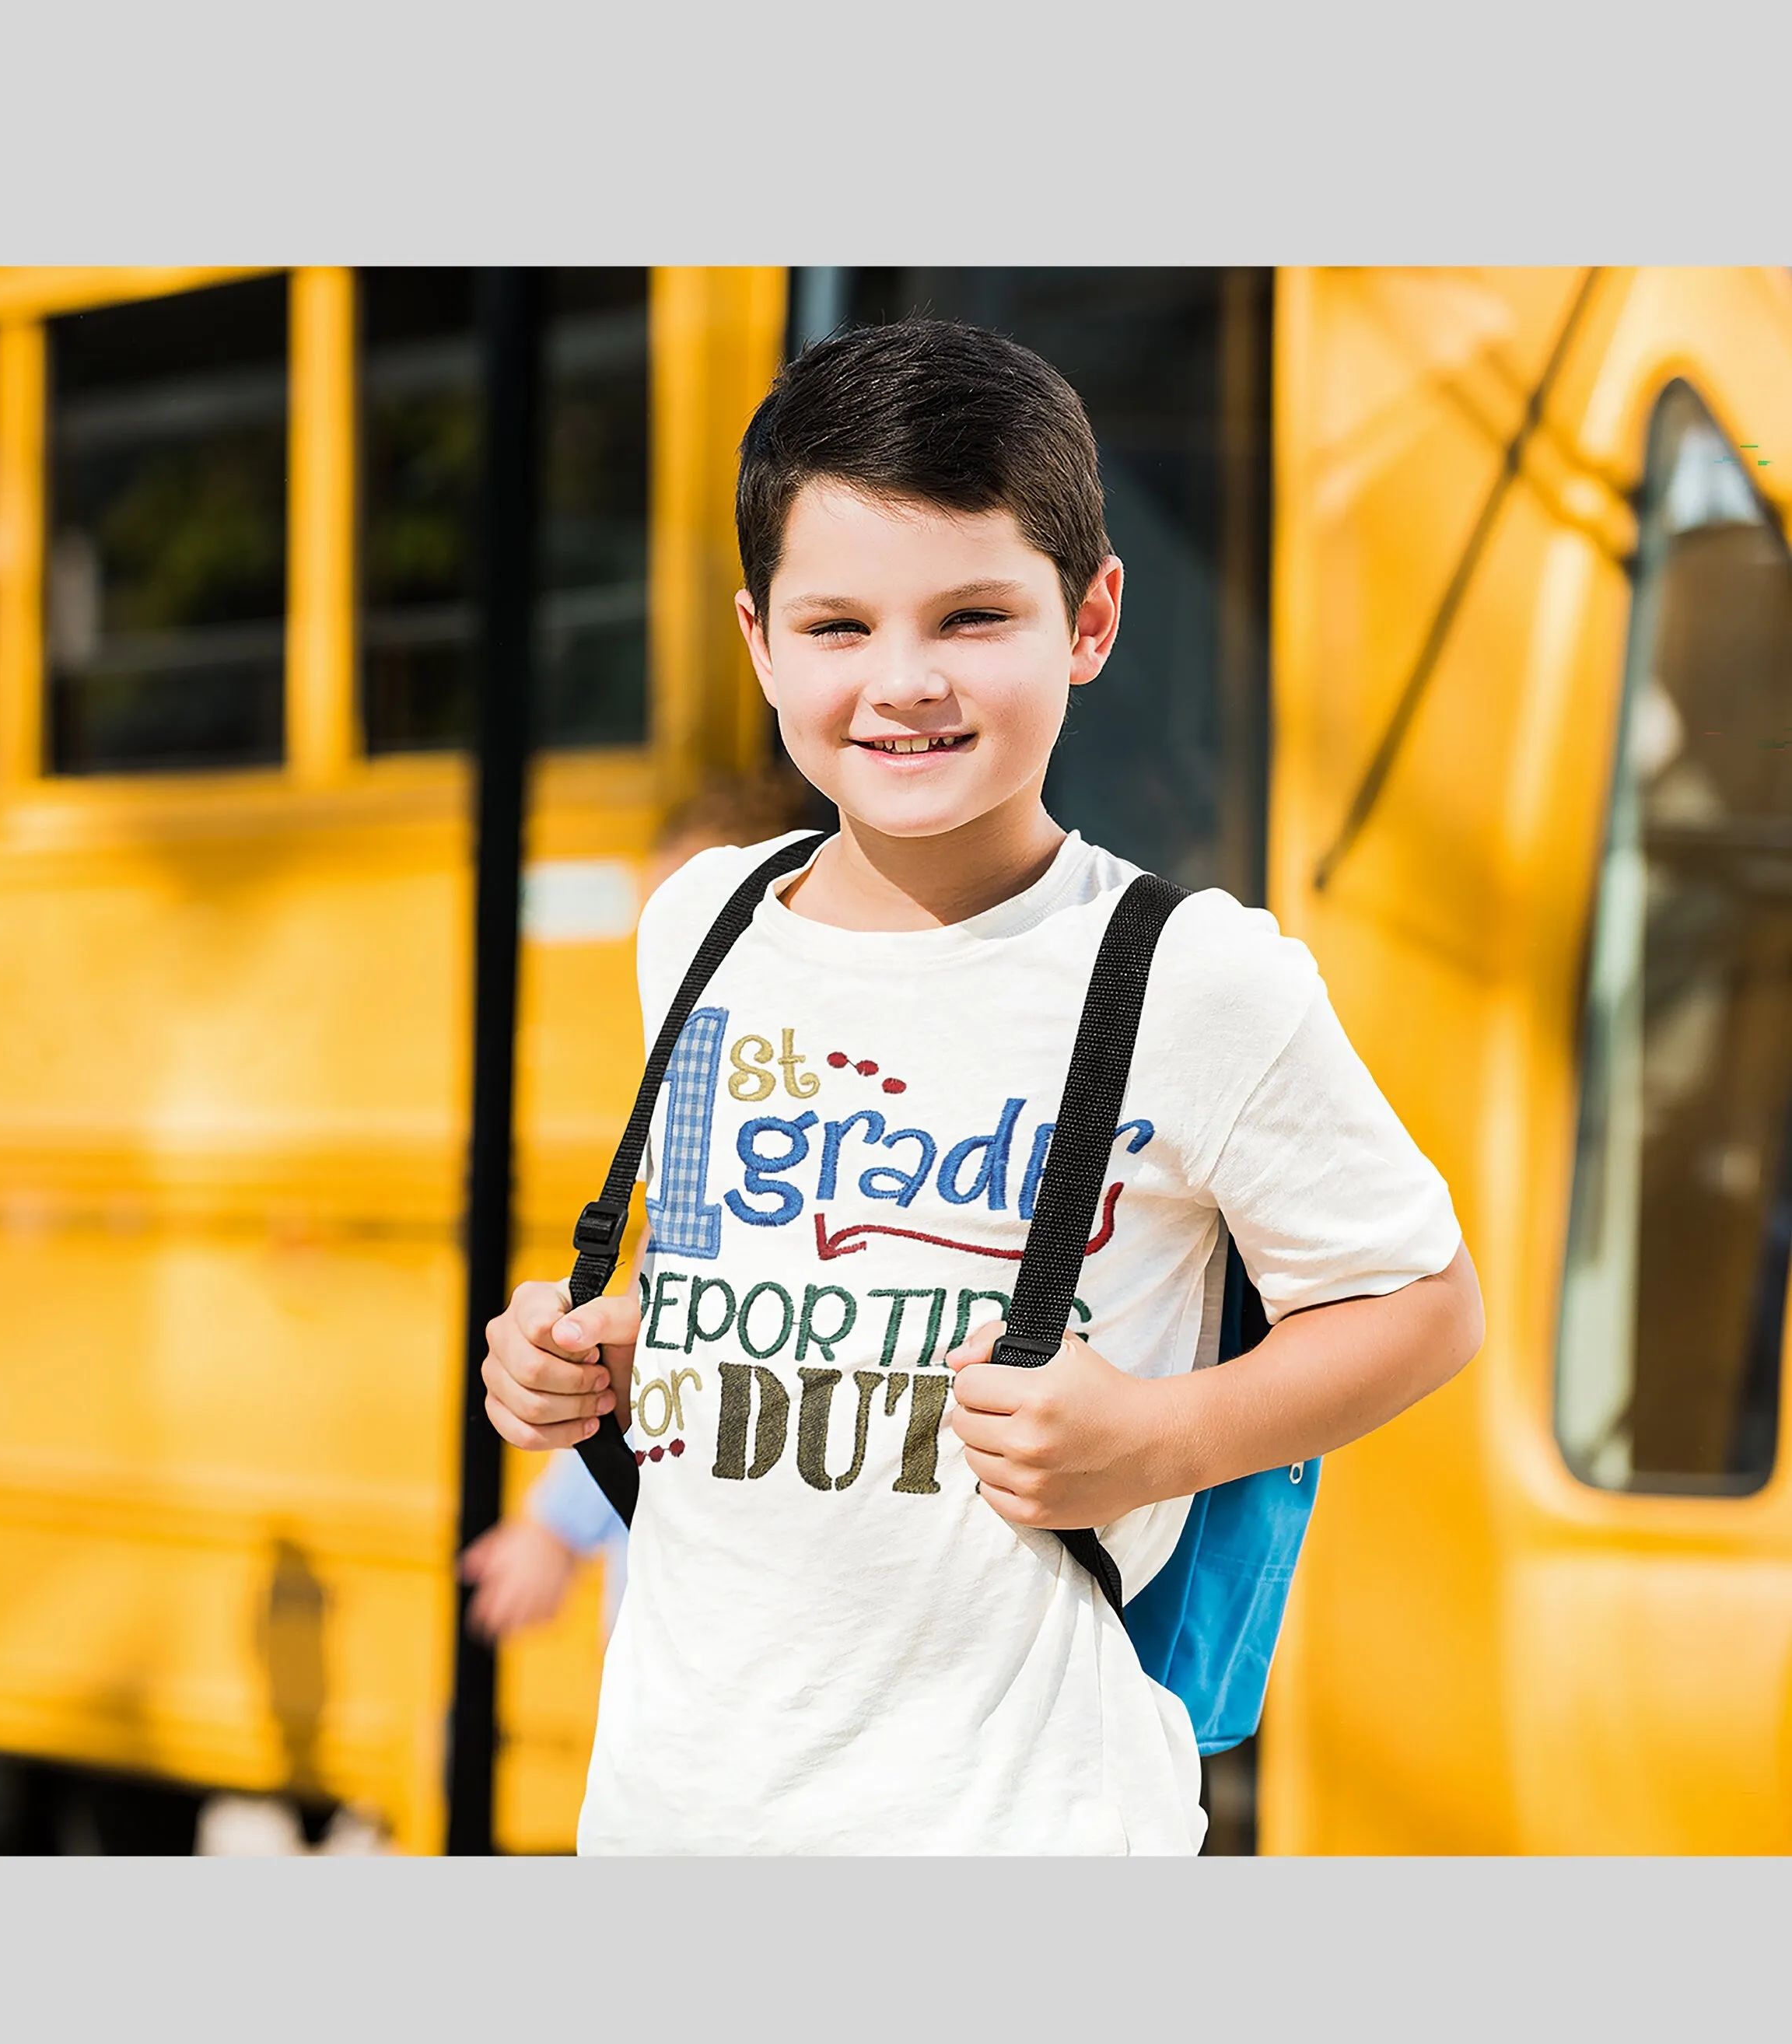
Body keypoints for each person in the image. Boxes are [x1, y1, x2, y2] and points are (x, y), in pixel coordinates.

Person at [479, 319, 1485, 1855]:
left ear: (1088, 621)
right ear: (756, 641)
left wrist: (1159, 1439)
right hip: (673, 1812)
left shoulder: (1195, 975)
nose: (902, 682)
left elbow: (1421, 1306)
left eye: (971, 616)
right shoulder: (702, 922)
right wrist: (598, 1347)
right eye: (836, 628)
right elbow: (722, 1256)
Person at [460, 768, 821, 1645]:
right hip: (675, 1628)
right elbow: (663, 1348)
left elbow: (706, 1364)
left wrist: (557, 1522)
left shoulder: (786, 1133)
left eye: (703, 937)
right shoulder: (710, 1107)